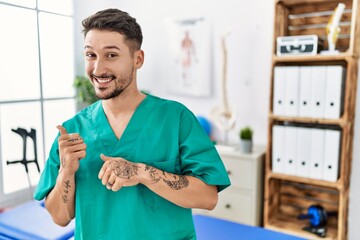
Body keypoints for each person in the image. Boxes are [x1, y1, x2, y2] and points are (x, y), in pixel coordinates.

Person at [34, 8, 230, 240]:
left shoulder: (175, 118)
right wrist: (66, 172)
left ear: (138, 59)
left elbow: (208, 198)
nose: (97, 69)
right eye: (91, 55)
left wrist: (141, 171)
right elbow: (59, 217)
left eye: (111, 55)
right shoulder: (72, 131)